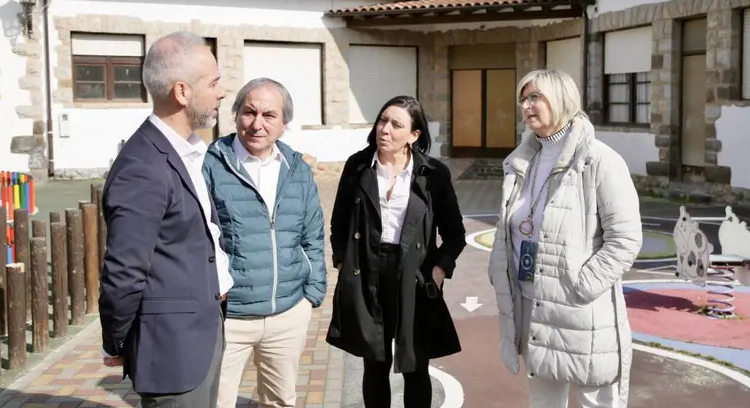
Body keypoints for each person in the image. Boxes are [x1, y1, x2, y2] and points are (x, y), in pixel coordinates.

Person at [487, 69, 643, 408]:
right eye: (523, 99)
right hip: (531, 306)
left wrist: (579, 286)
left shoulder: (600, 160)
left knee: (596, 401)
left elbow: (625, 239)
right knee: (543, 403)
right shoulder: (520, 162)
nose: (526, 106)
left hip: (581, 312)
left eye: (535, 98)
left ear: (562, 100)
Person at [98, 31, 233, 408]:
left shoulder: (185, 151)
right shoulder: (143, 166)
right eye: (214, 81)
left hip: (202, 333)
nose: (223, 92)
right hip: (174, 350)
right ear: (182, 92)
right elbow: (124, 271)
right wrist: (118, 341)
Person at [326, 95, 466, 408]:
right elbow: (338, 224)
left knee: (415, 364)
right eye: (382, 120)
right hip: (367, 275)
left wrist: (440, 269)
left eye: (396, 124)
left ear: (414, 135)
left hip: (414, 278)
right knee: (374, 364)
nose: (385, 129)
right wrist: (343, 263)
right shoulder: (358, 166)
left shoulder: (434, 174)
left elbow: (455, 234)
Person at [202, 77, 327, 408]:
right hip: (229, 316)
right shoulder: (209, 165)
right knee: (216, 402)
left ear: (284, 123)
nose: (257, 124)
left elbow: (312, 233)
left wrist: (311, 294)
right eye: (249, 112)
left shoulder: (297, 169)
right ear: (236, 115)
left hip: (287, 312)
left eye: (269, 115)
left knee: (280, 402)